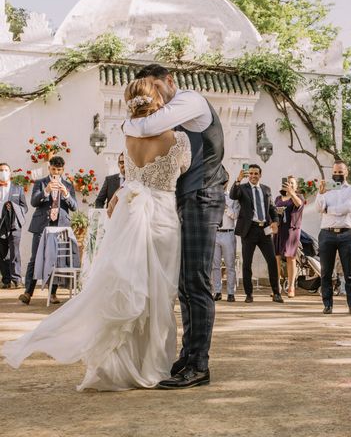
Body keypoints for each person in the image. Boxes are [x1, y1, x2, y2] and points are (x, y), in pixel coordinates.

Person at [3, 78, 192, 390]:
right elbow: (183, 169)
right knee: (159, 294)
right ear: (157, 102)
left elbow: (133, 176)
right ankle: (153, 365)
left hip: (130, 213)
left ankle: (122, 364)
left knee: (130, 285)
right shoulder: (178, 140)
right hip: (161, 216)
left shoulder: (129, 134)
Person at [122, 64, 227, 389]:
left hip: (203, 195)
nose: (154, 96)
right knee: (184, 283)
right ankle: (188, 358)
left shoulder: (191, 100)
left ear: (169, 81)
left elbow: (143, 125)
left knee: (195, 281)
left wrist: (130, 114)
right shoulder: (172, 110)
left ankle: (199, 365)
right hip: (186, 197)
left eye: (156, 88)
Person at [18, 156, 77, 305]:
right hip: (41, 226)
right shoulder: (40, 183)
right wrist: (45, 191)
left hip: (59, 227)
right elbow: (33, 202)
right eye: (53, 169)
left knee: (56, 260)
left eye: (59, 169)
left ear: (63, 170)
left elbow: (74, 207)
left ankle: (53, 293)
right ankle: (27, 293)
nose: (56, 172)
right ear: (49, 168)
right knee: (34, 258)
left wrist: (66, 194)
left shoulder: (68, 185)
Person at [230, 164, 282, 303]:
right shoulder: (241, 188)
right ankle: (249, 294)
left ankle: (276, 293)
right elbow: (233, 195)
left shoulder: (266, 189)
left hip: (264, 230)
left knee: (271, 261)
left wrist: (275, 221)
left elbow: (272, 208)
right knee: (247, 263)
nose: (253, 176)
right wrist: (238, 180)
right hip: (249, 230)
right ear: (249, 175)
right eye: (251, 173)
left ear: (260, 175)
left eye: (256, 173)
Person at [316, 161, 351, 315]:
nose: (338, 175)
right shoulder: (325, 190)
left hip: (346, 234)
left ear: (346, 172)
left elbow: (348, 208)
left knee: (350, 272)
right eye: (335, 172)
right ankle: (327, 304)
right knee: (326, 272)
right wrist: (321, 194)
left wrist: (328, 209)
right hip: (327, 233)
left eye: (341, 172)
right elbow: (318, 208)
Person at [274, 176, 304, 298]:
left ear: (296, 186)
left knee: (290, 257)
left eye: (292, 183)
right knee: (275, 257)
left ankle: (291, 286)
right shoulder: (278, 198)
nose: (289, 185)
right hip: (278, 229)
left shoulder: (299, 197)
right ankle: (276, 286)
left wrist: (292, 193)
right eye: (288, 183)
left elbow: (299, 204)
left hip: (291, 230)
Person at [0, 163, 28, 289]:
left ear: (10, 173)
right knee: (2, 252)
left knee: (14, 251)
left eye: (6, 170)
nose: (3, 172)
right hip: (0, 223)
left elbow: (25, 207)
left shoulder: (18, 189)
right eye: (1, 170)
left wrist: (14, 208)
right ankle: (6, 280)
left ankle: (17, 279)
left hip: (14, 224)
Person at [212, 181, 240, 302]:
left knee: (230, 265)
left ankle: (230, 293)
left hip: (228, 233)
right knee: (215, 266)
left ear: (227, 182)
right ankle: (217, 291)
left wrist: (226, 208)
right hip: (214, 233)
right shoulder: (211, 197)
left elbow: (236, 215)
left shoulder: (233, 198)